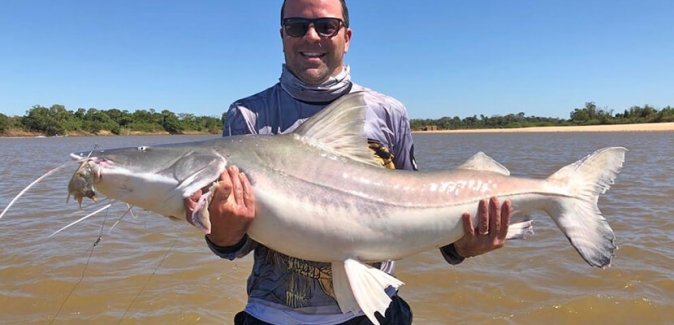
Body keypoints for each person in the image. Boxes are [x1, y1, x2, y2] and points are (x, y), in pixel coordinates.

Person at [184, 0, 511, 324]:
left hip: (376, 309)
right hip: (271, 314)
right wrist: (223, 236)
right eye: (297, 26)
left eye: (326, 26)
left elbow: (417, 207)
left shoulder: (388, 111)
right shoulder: (247, 116)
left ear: (347, 36)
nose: (311, 36)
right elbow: (238, 243)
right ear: (282, 35)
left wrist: (459, 246)